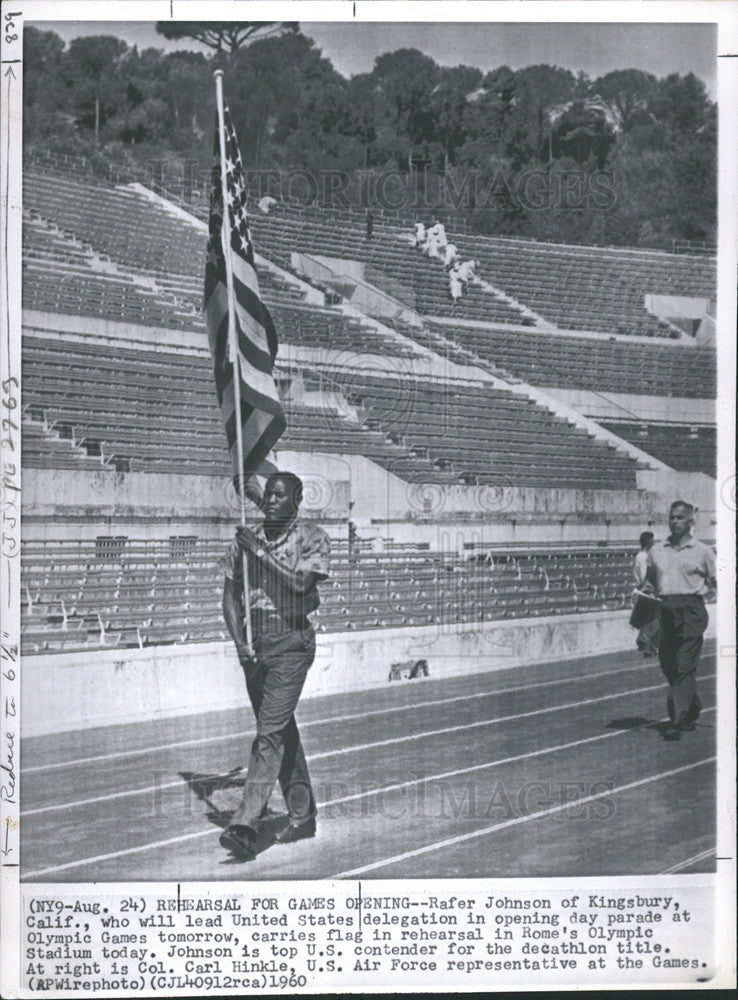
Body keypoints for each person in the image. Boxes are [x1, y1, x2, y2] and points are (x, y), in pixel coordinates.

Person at [219, 472, 331, 859]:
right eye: (267, 495)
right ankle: (303, 815)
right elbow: (230, 597)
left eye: (280, 496)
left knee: (268, 733)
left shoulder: (311, 537)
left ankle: (246, 825)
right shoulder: (245, 541)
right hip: (257, 643)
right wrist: (238, 642)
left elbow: (301, 586)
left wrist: (261, 554)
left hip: (291, 641)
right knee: (281, 730)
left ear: (297, 501)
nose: (270, 501)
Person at [646, 501, 716, 741]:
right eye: (672, 517)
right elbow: (649, 581)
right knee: (668, 664)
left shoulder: (703, 551)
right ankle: (692, 705)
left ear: (690, 521)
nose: (674, 521)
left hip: (691, 611)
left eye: (680, 518)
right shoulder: (657, 550)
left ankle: (677, 720)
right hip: (664, 610)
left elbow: (719, 580)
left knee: (685, 665)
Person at [631, 530, 659, 656]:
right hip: (646, 591)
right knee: (654, 618)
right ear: (648, 543)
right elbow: (643, 577)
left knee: (650, 619)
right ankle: (645, 642)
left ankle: (648, 645)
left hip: (644, 590)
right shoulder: (643, 557)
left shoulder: (640, 556)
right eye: (653, 541)